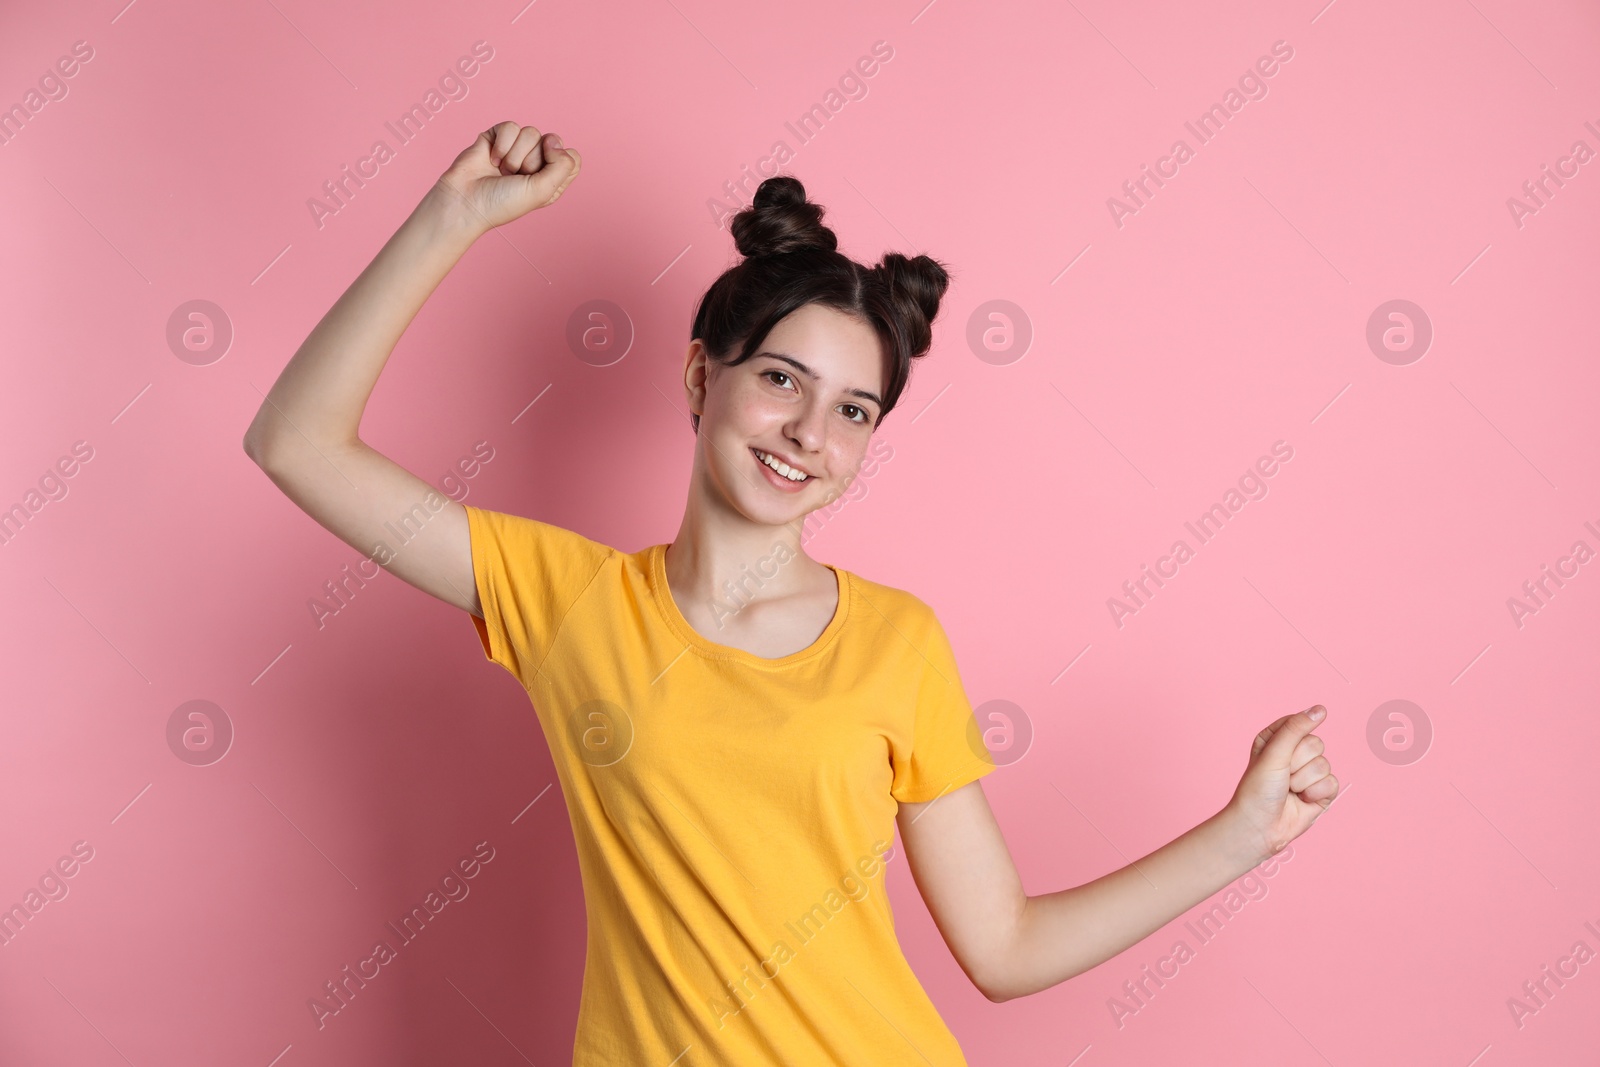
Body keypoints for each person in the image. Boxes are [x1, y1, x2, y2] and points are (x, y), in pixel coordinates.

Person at [243, 120, 1340, 1065]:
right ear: (697, 376)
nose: (812, 436)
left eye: (855, 411)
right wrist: (451, 216)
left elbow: (1004, 947)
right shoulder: (567, 598)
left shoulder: (896, 641)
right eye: (781, 381)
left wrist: (1241, 833)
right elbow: (295, 441)